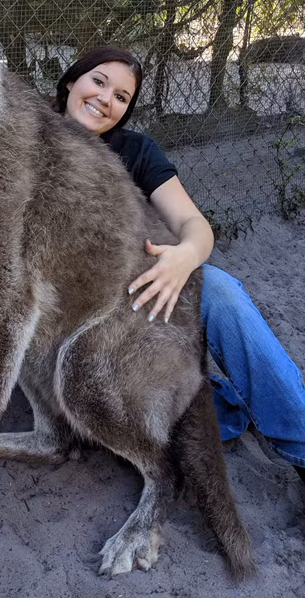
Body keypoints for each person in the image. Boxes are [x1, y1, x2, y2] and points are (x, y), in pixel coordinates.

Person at [54, 44, 305, 483]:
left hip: (138, 290)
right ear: (71, 81)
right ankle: (212, 404)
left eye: (121, 97)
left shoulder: (134, 151)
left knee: (221, 291)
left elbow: (194, 223)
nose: (105, 99)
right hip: (68, 314)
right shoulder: (27, 140)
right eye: (98, 81)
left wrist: (185, 257)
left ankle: (301, 448)